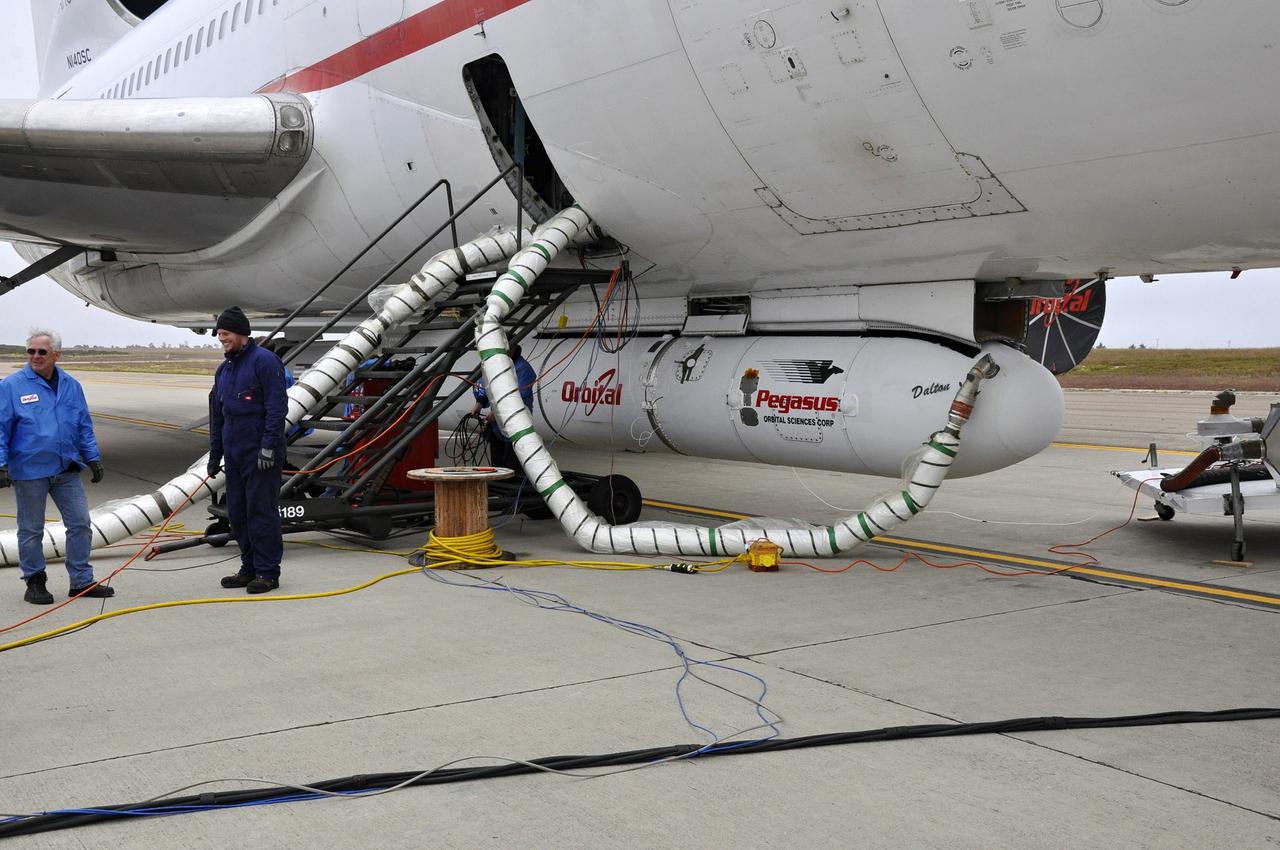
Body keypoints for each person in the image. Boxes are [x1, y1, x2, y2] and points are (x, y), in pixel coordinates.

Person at [0, 329, 111, 605]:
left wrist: (93, 457)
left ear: (56, 355)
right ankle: (35, 581)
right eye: (31, 351)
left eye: (42, 352)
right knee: (31, 530)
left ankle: (81, 581)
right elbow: (1, 428)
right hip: (30, 471)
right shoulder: (11, 386)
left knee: (80, 524)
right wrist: (1, 464)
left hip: (65, 470)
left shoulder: (71, 385)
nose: (35, 356)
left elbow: (83, 425)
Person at [208, 307, 287, 594]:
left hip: (260, 454)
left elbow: (277, 408)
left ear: (241, 333)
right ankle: (249, 567)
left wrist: (268, 447)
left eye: (225, 333)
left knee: (260, 512)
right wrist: (215, 454)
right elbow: (218, 415)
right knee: (238, 513)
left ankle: (267, 572)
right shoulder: (224, 370)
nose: (221, 338)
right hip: (235, 454)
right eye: (219, 333)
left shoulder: (264, 362)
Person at [470, 342, 537, 473]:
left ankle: (514, 483)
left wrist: (496, 413)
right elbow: (485, 383)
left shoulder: (523, 369)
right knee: (498, 463)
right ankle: (499, 483)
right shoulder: (496, 364)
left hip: (517, 423)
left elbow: (517, 397)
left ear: (513, 348)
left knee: (513, 465)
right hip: (497, 426)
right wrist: (479, 403)